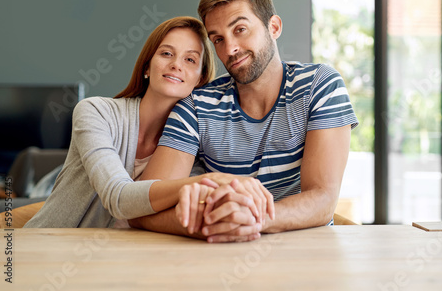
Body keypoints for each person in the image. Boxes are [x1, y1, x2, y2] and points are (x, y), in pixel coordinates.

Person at [130, 0, 359, 242]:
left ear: (273, 27)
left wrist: (252, 219)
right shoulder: (195, 107)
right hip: (223, 261)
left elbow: (323, 198)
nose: (230, 49)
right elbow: (140, 208)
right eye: (218, 39)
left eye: (240, 29)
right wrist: (214, 224)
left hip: (307, 258)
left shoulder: (320, 85)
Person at [25, 16, 264, 231]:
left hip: (115, 266)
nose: (176, 65)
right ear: (147, 66)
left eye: (190, 59)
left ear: (200, 79)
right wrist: (207, 181)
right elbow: (119, 199)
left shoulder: (193, 150)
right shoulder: (96, 112)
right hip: (45, 251)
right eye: (167, 53)